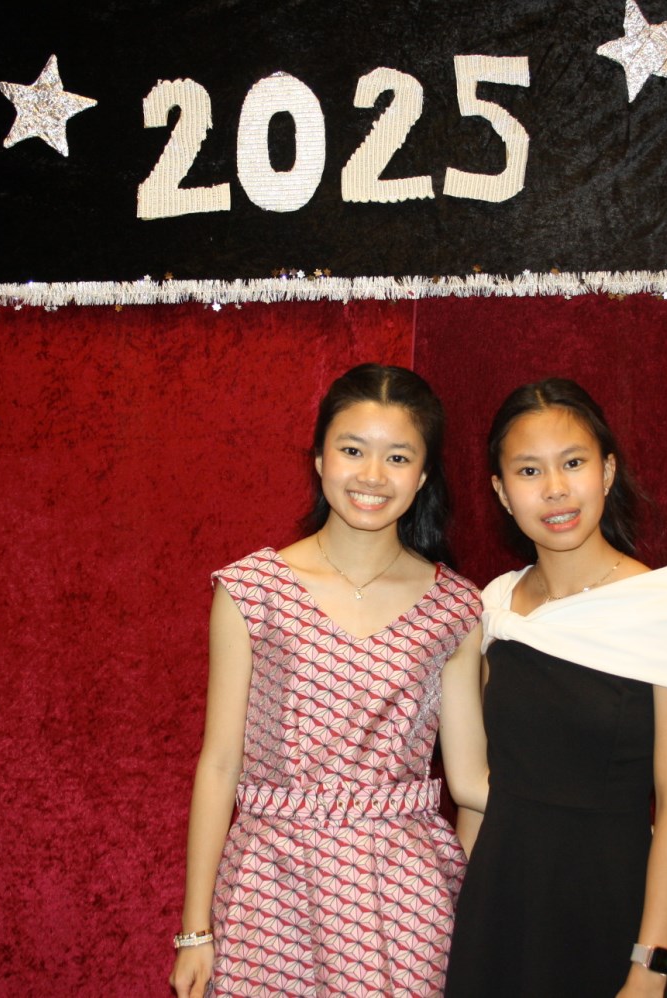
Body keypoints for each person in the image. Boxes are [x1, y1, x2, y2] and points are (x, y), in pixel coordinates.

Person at [170, 363, 488, 998]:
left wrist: (473, 906)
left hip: (407, 899)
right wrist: (195, 930)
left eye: (398, 457)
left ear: (424, 475)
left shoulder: (457, 608)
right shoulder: (252, 590)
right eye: (352, 450)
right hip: (269, 887)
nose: (372, 476)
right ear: (319, 459)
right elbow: (220, 763)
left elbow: (471, 783)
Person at [445, 378, 667, 998]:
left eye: (573, 463)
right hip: (498, 909)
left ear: (607, 471)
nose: (555, 489)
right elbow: (482, 793)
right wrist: (455, 916)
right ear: (501, 492)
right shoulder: (495, 605)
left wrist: (650, 967)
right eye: (529, 470)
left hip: (607, 912)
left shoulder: (662, 605)